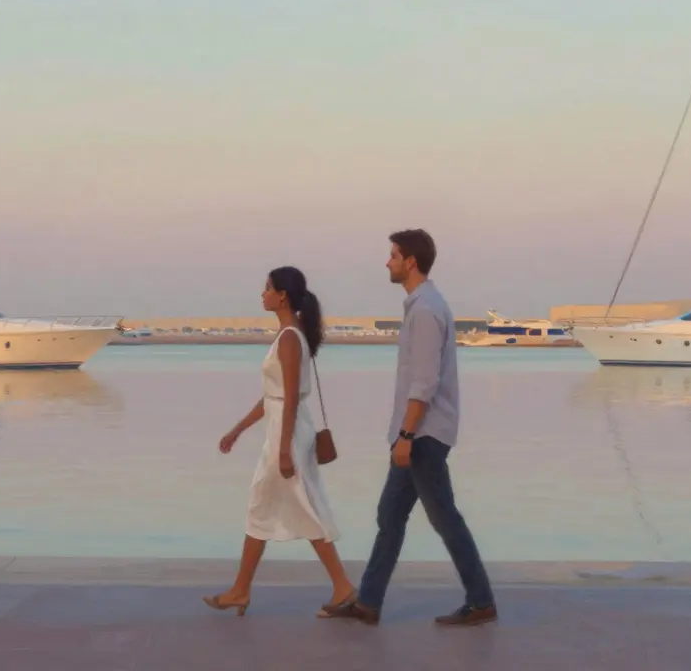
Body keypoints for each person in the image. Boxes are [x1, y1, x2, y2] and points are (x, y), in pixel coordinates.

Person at [327, 229, 496, 627]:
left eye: (393, 255)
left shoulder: (425, 310)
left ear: (411, 262)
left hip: (422, 435)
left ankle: (481, 601)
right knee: (390, 515)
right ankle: (368, 603)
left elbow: (424, 382)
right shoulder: (423, 305)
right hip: (416, 433)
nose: (387, 262)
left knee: (444, 518)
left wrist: (405, 436)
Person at [203, 266, 356, 616]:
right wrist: (237, 429)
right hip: (285, 430)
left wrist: (284, 450)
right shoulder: (289, 335)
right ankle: (243, 589)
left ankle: (339, 586)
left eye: (268, 288)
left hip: (287, 435)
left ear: (282, 295)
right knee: (273, 506)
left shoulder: (289, 338)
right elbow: (272, 398)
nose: (263, 294)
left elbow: (288, 400)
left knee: (289, 506)